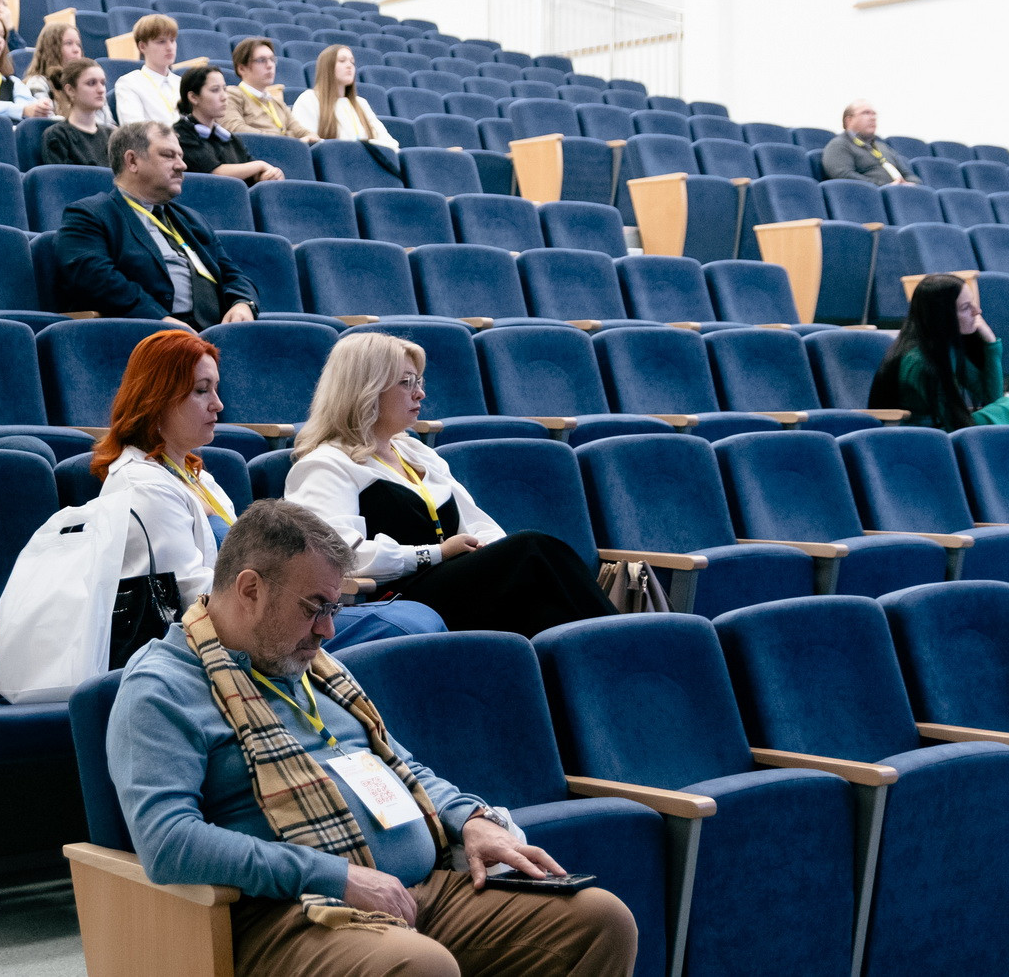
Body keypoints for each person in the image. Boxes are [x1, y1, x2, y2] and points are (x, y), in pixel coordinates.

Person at [108, 498, 638, 977]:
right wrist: (336, 877)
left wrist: (469, 820)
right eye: (314, 607)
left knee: (599, 920)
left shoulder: (314, 663)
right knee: (419, 967)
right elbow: (169, 841)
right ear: (249, 588)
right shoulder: (163, 687)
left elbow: (402, 767)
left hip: (414, 889)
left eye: (334, 609)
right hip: (292, 912)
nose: (328, 631)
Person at [93, 330, 441, 664]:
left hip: (249, 616)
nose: (218, 404)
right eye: (202, 391)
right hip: (222, 639)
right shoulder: (143, 485)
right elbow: (186, 601)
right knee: (409, 622)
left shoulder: (196, 477)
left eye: (216, 388)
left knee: (415, 617)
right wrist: (287, 605)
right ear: (157, 399)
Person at [283, 333, 616, 636]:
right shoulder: (326, 464)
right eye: (405, 382)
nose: (420, 393)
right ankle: (620, 640)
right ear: (365, 390)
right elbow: (341, 556)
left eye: (419, 381)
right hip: (397, 597)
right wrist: (436, 553)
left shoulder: (415, 451)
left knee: (544, 608)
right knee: (532, 549)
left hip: (453, 586)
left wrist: (488, 549)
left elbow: (480, 525)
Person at [56, 120, 259, 327]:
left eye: (180, 156)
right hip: (145, 333)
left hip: (212, 331)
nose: (182, 165)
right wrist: (160, 320)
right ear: (132, 161)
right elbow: (97, 280)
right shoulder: (89, 215)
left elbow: (234, 274)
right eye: (168, 155)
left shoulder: (192, 220)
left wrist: (242, 303)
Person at [867, 273, 1009, 429]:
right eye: (966, 307)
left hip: (947, 429)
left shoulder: (948, 348)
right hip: (927, 438)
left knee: (1008, 407)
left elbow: (992, 398)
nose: (977, 311)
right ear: (942, 316)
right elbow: (954, 422)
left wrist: (991, 345)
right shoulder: (919, 361)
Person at [176, 64, 282, 186]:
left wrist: (268, 175)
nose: (224, 97)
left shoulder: (230, 139)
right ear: (193, 97)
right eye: (215, 90)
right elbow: (216, 172)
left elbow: (253, 172)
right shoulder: (181, 134)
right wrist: (260, 165)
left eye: (224, 89)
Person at [292, 45, 397, 148]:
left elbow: (390, 144)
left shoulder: (361, 103)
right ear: (327, 67)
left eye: (352, 62)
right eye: (342, 61)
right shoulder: (309, 99)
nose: (349, 66)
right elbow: (307, 143)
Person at [223, 37, 315, 141]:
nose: (270, 65)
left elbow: (304, 132)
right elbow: (236, 129)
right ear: (242, 68)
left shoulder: (276, 101)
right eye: (261, 60)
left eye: (272, 59)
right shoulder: (231, 95)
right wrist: (287, 139)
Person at [821, 101, 917, 186]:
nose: (873, 118)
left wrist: (912, 184)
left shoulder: (883, 147)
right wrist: (885, 186)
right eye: (866, 113)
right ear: (849, 120)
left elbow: (908, 174)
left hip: (901, 195)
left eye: (874, 114)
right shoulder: (839, 144)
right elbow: (844, 175)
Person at [39, 57, 113, 166]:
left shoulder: (111, 136)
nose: (101, 89)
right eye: (91, 83)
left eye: (103, 83)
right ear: (70, 90)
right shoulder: (57, 135)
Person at [113, 13, 182, 127]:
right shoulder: (129, 83)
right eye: (161, 41)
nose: (170, 47)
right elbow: (135, 131)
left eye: (172, 40)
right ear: (142, 47)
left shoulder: (181, 83)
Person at [25, 19, 91, 106]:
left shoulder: (90, 84)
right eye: (68, 43)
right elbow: (46, 118)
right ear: (52, 49)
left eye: (78, 44)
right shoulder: (38, 83)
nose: (76, 50)